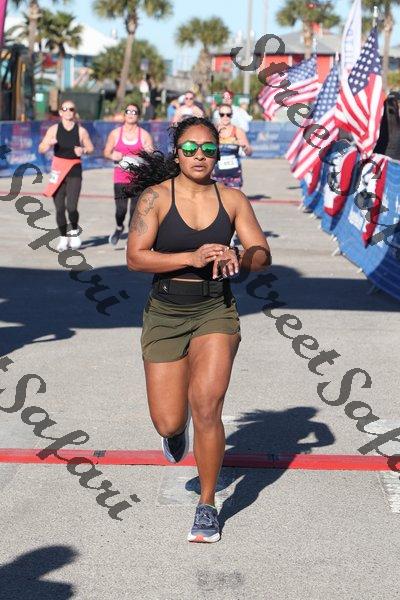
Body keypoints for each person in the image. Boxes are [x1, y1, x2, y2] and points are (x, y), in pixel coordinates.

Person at [126, 116, 270, 542]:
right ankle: (175, 433)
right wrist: (191, 257)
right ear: (177, 154)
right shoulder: (155, 198)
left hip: (215, 310)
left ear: (218, 154)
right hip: (165, 312)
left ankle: (207, 505)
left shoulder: (233, 199)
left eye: (208, 149)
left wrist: (239, 256)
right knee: (168, 421)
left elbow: (261, 253)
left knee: (207, 406)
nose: (199, 156)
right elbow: (136, 257)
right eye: (190, 149)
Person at [39, 100, 94, 251]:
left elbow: (91, 148)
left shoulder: (81, 131)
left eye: (71, 109)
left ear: (74, 112)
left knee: (71, 206)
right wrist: (48, 144)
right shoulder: (54, 129)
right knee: (59, 208)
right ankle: (63, 237)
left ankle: (74, 232)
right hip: (58, 169)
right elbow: (41, 148)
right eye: (65, 109)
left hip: (74, 169)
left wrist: (83, 150)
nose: (68, 111)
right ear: (60, 112)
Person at [103, 103, 154, 246]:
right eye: (128, 111)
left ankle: (131, 239)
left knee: (134, 211)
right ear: (124, 114)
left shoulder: (144, 135)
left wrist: (148, 154)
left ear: (138, 116)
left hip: (138, 178)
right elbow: (106, 152)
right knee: (121, 210)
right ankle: (119, 227)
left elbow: (151, 154)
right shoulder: (115, 134)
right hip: (120, 177)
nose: (131, 114)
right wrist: (112, 155)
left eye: (134, 112)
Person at [212, 104, 252, 189]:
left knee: (234, 197)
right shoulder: (212, 130)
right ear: (219, 115)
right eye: (222, 114)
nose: (225, 117)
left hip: (234, 175)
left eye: (228, 114)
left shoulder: (238, 131)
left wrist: (245, 147)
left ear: (232, 115)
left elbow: (249, 152)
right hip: (216, 175)